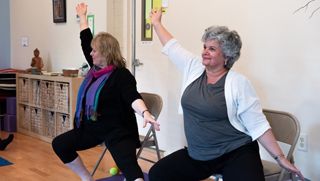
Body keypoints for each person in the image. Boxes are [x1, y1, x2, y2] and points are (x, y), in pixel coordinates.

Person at [148, 9, 304, 181]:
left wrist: (280, 158)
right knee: (159, 174)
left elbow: (258, 125)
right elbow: (172, 47)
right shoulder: (194, 68)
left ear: (227, 56)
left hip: (235, 153)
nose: (205, 51)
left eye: (212, 49)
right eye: (205, 47)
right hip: (198, 155)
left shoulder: (238, 83)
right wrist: (156, 23)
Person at [52, 3, 160, 181]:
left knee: (130, 169)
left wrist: (145, 113)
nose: (91, 53)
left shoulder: (121, 75)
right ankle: (87, 178)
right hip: (92, 127)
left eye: (95, 51)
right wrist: (83, 16)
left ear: (106, 53)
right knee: (60, 144)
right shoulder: (95, 69)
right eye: (92, 51)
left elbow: (132, 96)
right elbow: (85, 40)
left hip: (117, 129)